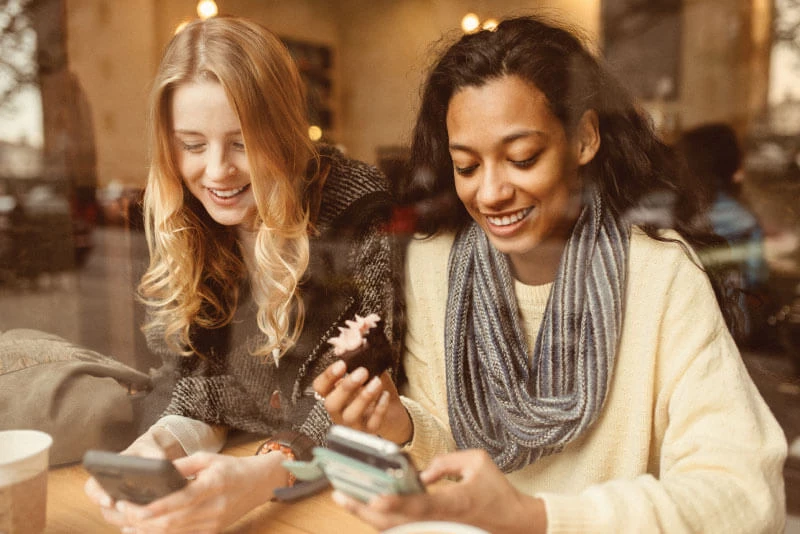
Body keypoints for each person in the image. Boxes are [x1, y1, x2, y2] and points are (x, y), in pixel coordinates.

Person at [314, 15, 787, 533]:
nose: (491, 192)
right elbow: (449, 457)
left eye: (522, 157)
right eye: (467, 166)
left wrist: (536, 517)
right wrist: (399, 425)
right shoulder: (435, 262)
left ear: (584, 138)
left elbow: (742, 496)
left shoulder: (660, 273)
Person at [83, 15, 398, 533]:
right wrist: (155, 447)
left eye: (240, 141)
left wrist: (260, 476)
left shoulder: (355, 208)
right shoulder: (188, 220)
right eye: (192, 144)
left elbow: (362, 395)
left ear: (281, 130)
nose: (216, 171)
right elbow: (199, 386)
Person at [675, 122, 769, 347]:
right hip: (730, 330)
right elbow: (757, 277)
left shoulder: (675, 213)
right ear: (732, 165)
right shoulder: (744, 219)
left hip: (680, 326)